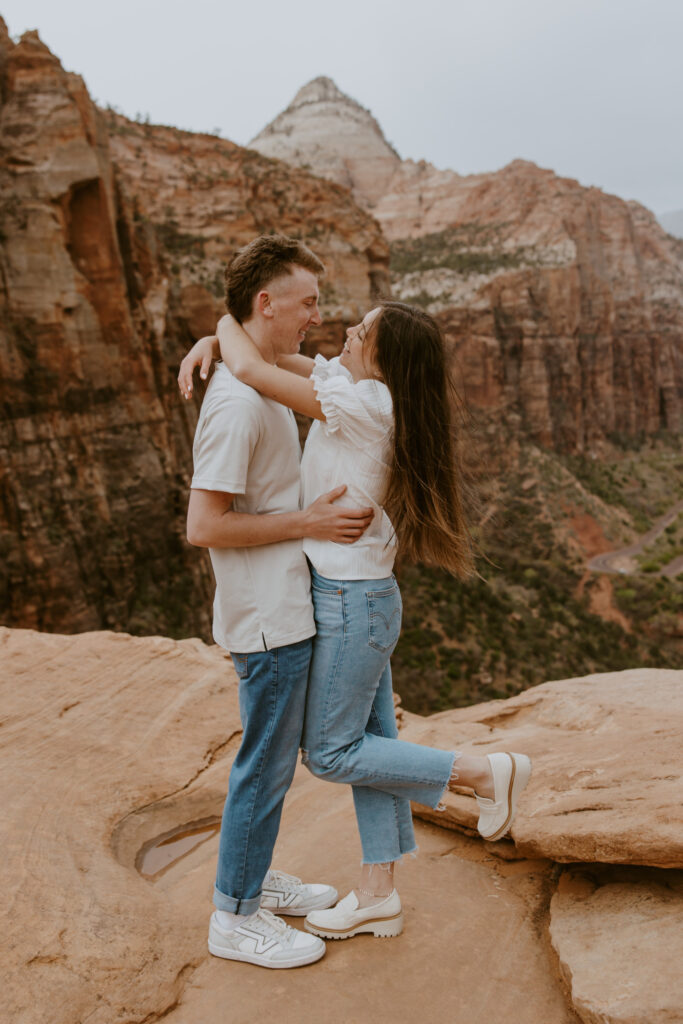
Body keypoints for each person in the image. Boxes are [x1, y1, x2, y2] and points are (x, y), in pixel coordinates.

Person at [181, 296, 532, 944]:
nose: (347, 330)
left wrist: (226, 322)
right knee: (377, 752)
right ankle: (377, 894)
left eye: (362, 330)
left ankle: (481, 773)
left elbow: (258, 373)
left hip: (352, 608)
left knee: (334, 753)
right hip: (350, 602)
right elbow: (278, 358)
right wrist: (214, 341)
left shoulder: (372, 407)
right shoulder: (350, 385)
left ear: (385, 356)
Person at [182, 235, 377, 969]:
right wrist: (310, 522)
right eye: (307, 304)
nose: (317, 319)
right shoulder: (235, 404)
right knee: (263, 765)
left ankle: (253, 881)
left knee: (270, 761)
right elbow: (203, 525)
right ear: (267, 304)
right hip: (265, 619)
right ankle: (233, 916)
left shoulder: (254, 381)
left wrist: (218, 333)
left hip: (282, 608)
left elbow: (257, 355)